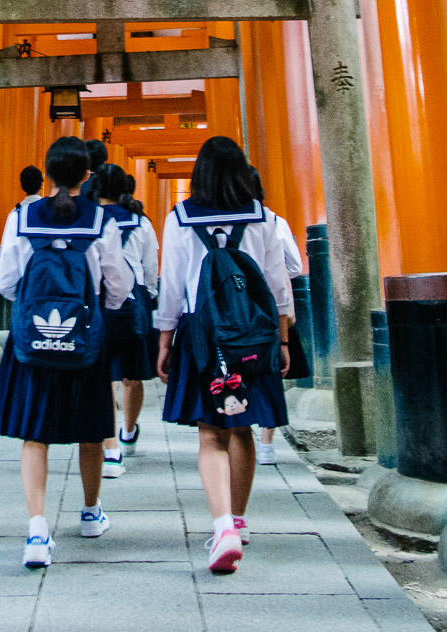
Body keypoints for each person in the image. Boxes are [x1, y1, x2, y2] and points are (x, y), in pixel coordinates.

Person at [0, 136, 135, 569]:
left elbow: (3, 280)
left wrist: (30, 306)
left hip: (33, 339)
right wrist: (100, 313)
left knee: (35, 434)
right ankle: (90, 513)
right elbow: (119, 284)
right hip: (85, 336)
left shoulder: (22, 215)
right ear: (87, 175)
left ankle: (37, 528)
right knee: (91, 429)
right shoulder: (100, 220)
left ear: (47, 174)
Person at [156, 136, 292, 573]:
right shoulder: (262, 216)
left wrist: (164, 341)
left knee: (210, 432)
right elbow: (276, 286)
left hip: (202, 333)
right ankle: (238, 517)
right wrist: (284, 340)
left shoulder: (179, 218)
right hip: (252, 335)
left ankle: (222, 528)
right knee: (244, 428)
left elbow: (171, 285)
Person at [95, 163, 159, 478]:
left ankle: (110, 444)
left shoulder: (89, 220)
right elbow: (150, 269)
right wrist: (152, 297)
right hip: (135, 300)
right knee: (132, 375)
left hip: (98, 300)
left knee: (104, 373)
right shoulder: (141, 223)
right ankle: (128, 430)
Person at [245, 167, 307, 465]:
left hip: (232, 313)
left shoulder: (210, 222)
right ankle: (266, 445)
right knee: (270, 374)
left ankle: (238, 426)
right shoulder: (274, 221)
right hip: (270, 310)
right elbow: (294, 267)